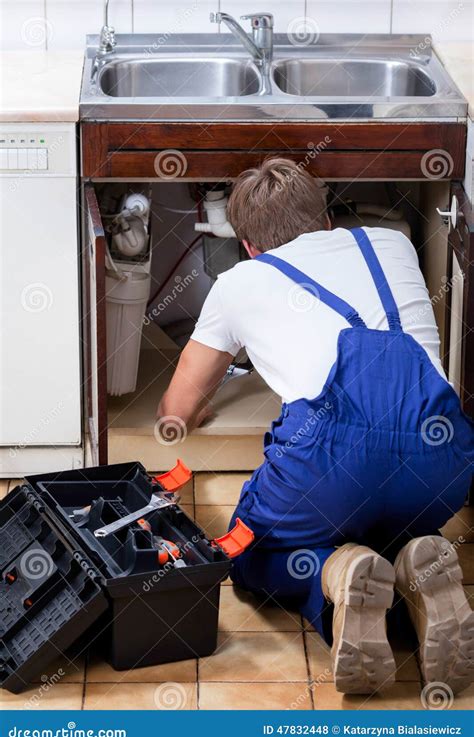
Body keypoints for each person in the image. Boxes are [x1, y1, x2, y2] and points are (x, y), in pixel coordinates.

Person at [157, 158, 474, 695]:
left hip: (330, 465)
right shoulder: (390, 244)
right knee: (389, 520)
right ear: (326, 222)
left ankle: (335, 575)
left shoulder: (240, 282)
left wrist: (198, 408)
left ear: (250, 246)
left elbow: (176, 410)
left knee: (250, 554)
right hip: (442, 458)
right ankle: (417, 574)